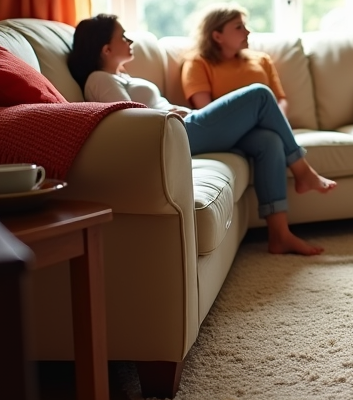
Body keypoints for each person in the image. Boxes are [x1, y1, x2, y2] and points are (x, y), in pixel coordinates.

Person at [67, 13, 335, 257]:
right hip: (176, 133)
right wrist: (173, 115)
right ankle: (302, 171)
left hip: (182, 127)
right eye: (122, 36)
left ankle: (279, 235)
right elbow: (128, 121)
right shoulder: (99, 80)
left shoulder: (121, 77)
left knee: (269, 141)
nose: (129, 40)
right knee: (260, 95)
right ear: (106, 48)